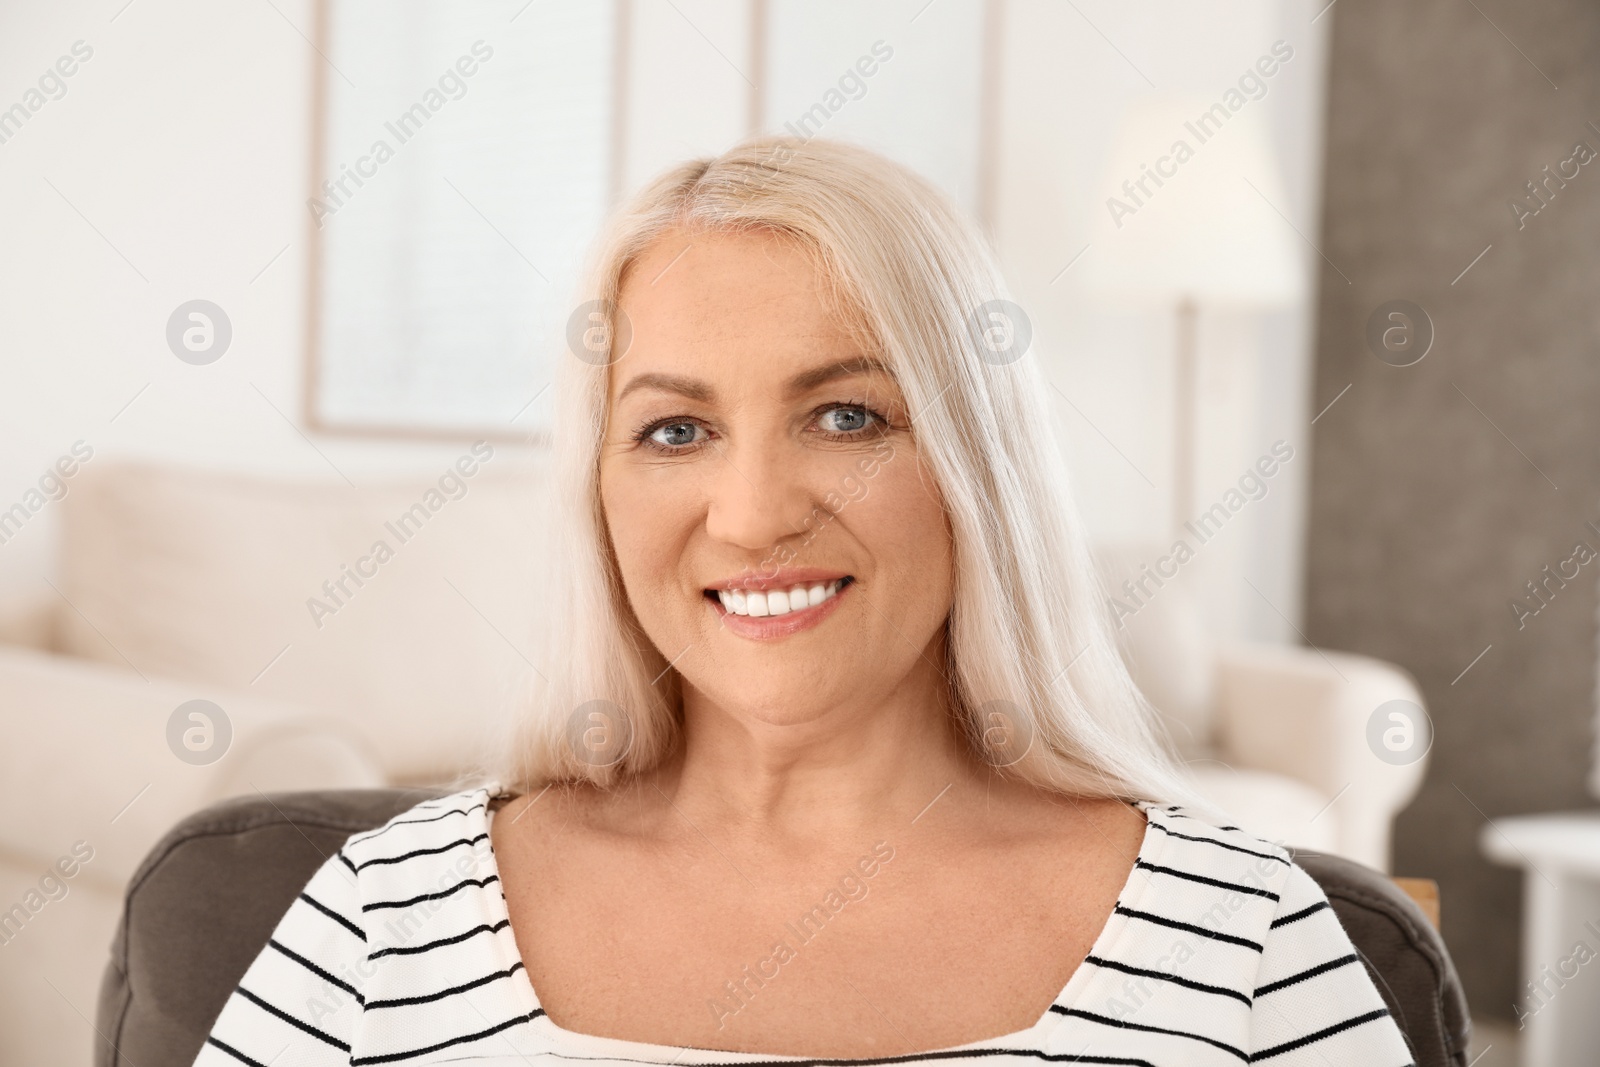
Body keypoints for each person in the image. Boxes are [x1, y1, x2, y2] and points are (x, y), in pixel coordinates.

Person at [194, 137, 1412, 1065]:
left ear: (975, 462)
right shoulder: (382, 919)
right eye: (675, 429)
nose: (752, 511)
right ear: (599, 495)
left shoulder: (1245, 939)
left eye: (847, 416)